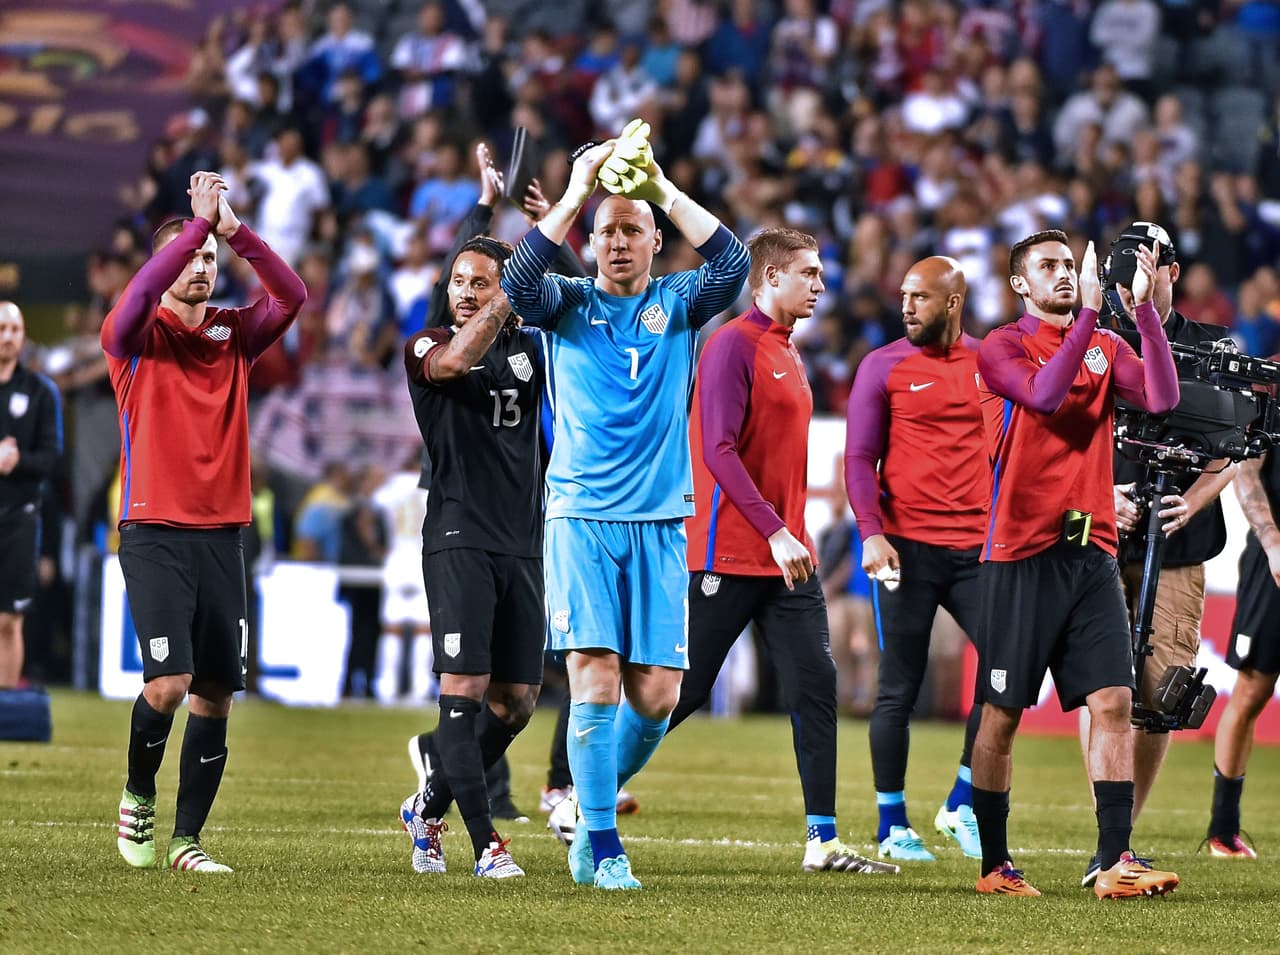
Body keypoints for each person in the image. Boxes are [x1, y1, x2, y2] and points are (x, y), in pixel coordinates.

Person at [501, 136, 750, 890]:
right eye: (606, 230)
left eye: (632, 229)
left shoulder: (677, 304)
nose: (617, 241)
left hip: (660, 521)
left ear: (654, 243)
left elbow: (733, 265)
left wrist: (662, 188)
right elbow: (517, 282)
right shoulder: (565, 304)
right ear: (590, 242)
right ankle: (603, 843)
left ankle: (586, 802)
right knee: (596, 677)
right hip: (580, 515)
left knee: (658, 696)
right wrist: (577, 191)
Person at [652, 227, 897, 875]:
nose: (820, 284)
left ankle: (823, 840)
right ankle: (580, 792)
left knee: (816, 684)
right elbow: (718, 449)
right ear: (769, 278)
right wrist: (773, 529)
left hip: (789, 556)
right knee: (682, 690)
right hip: (731, 551)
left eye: (820, 274)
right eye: (808, 273)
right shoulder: (732, 344)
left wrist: (790, 534)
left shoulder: (787, 348)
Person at [104, 172, 306, 873]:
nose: (201, 266)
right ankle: (138, 794)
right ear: (163, 266)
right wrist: (195, 225)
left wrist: (233, 231)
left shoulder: (234, 334)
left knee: (214, 694)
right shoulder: (133, 337)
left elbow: (292, 295)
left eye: (210, 259)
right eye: (189, 257)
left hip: (223, 535)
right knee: (167, 684)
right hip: (154, 530)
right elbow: (136, 296)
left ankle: (187, 840)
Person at [971, 229, 1181, 899]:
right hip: (1019, 553)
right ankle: (995, 865)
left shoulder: (1107, 344)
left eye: (1069, 264)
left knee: (1115, 700)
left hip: (1091, 552)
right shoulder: (1001, 347)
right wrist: (1090, 311)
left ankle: (1115, 858)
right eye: (1048, 266)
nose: (1064, 273)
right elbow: (1043, 395)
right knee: (1002, 714)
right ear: (1020, 284)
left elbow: (1162, 398)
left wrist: (1142, 310)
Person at [1079, 221, 1238, 884]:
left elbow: (1234, 447)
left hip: (1178, 541)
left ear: (1172, 270)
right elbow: (1064, 433)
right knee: (1104, 685)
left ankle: (1123, 832)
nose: (1130, 289)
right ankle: (1109, 840)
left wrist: (1193, 500)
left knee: (1163, 694)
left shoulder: (1210, 347)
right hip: (1102, 535)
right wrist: (1098, 496)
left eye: (1144, 272)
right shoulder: (1092, 341)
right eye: (1120, 279)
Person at [397, 178, 547, 877]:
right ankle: (486, 844)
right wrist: (499, 264)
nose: (464, 290)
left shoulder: (530, 349)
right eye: (458, 280)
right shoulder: (427, 345)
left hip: (523, 540)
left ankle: (428, 803)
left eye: (479, 282)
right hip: (458, 536)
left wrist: (545, 242)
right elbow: (458, 358)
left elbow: (581, 306)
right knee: (462, 689)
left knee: (515, 703)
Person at [844, 256, 989, 862]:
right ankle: (892, 825)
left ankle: (962, 802)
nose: (906, 306)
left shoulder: (991, 363)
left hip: (979, 549)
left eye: (920, 297)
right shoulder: (882, 366)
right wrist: (870, 533)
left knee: (1009, 673)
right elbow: (859, 458)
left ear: (953, 303)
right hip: (905, 550)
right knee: (898, 687)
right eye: (903, 295)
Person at [1203, 433, 1280, 858]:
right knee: (1253, 689)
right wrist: (1273, 542)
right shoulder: (1270, 399)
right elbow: (1245, 472)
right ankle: (1223, 829)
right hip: (1273, 561)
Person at [0, 302, 62, 688]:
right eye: (2, 328)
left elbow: (52, 458)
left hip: (19, 519)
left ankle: (5, 708)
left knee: (9, 619)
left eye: (15, 329)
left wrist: (17, 459)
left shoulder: (41, 392)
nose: (8, 337)